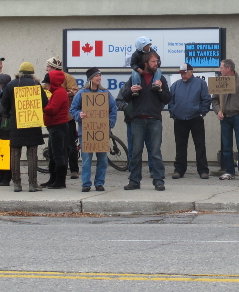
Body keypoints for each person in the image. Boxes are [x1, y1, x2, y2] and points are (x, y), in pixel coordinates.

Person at [121, 51, 170, 191]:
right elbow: (125, 97)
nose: (156, 64)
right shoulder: (135, 77)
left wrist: (160, 90)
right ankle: (134, 181)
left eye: (157, 61)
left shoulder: (160, 78)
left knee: (155, 152)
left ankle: (158, 180)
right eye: (153, 61)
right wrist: (131, 90)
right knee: (136, 152)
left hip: (154, 120)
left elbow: (167, 98)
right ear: (146, 63)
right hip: (137, 120)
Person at [2, 62, 49, 192]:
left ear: (20, 72)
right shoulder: (36, 85)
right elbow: (45, 103)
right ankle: (33, 184)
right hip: (32, 123)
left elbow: (4, 103)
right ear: (32, 73)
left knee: (15, 154)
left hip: (16, 124)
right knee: (32, 154)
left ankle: (17, 184)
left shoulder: (11, 84)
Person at [71, 67, 118, 192]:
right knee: (86, 159)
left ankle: (99, 183)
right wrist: (79, 115)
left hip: (101, 131)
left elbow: (113, 109)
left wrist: (109, 123)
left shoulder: (105, 93)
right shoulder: (81, 93)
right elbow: (73, 109)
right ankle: (86, 183)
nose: (99, 78)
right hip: (86, 132)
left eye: (100, 75)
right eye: (97, 75)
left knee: (102, 159)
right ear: (90, 78)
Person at [212, 59, 239, 180]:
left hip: (238, 117)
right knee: (226, 146)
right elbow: (214, 100)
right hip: (225, 117)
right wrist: (218, 111)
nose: (220, 70)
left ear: (228, 68)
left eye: (221, 67)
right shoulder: (219, 81)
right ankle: (229, 171)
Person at [168, 63, 212, 179]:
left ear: (191, 72)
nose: (183, 75)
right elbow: (170, 101)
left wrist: (202, 113)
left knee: (200, 145)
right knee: (180, 146)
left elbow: (206, 99)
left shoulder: (201, 83)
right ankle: (179, 170)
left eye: (185, 73)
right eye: (181, 73)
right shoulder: (176, 85)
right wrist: (173, 113)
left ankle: (203, 170)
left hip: (196, 118)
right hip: (179, 119)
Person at [42, 56, 81, 181]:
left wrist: (70, 93)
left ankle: (74, 169)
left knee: (70, 144)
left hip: (66, 117)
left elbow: (76, 92)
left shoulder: (68, 78)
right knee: (55, 149)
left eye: (48, 66)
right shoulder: (49, 80)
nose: (46, 69)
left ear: (54, 68)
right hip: (54, 120)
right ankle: (56, 175)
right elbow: (44, 91)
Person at [42, 70, 71, 189]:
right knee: (53, 154)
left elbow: (52, 109)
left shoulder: (59, 92)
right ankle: (53, 179)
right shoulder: (57, 92)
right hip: (54, 127)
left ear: (52, 83)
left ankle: (60, 181)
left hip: (58, 126)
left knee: (58, 154)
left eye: (47, 83)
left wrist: (43, 106)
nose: (46, 86)